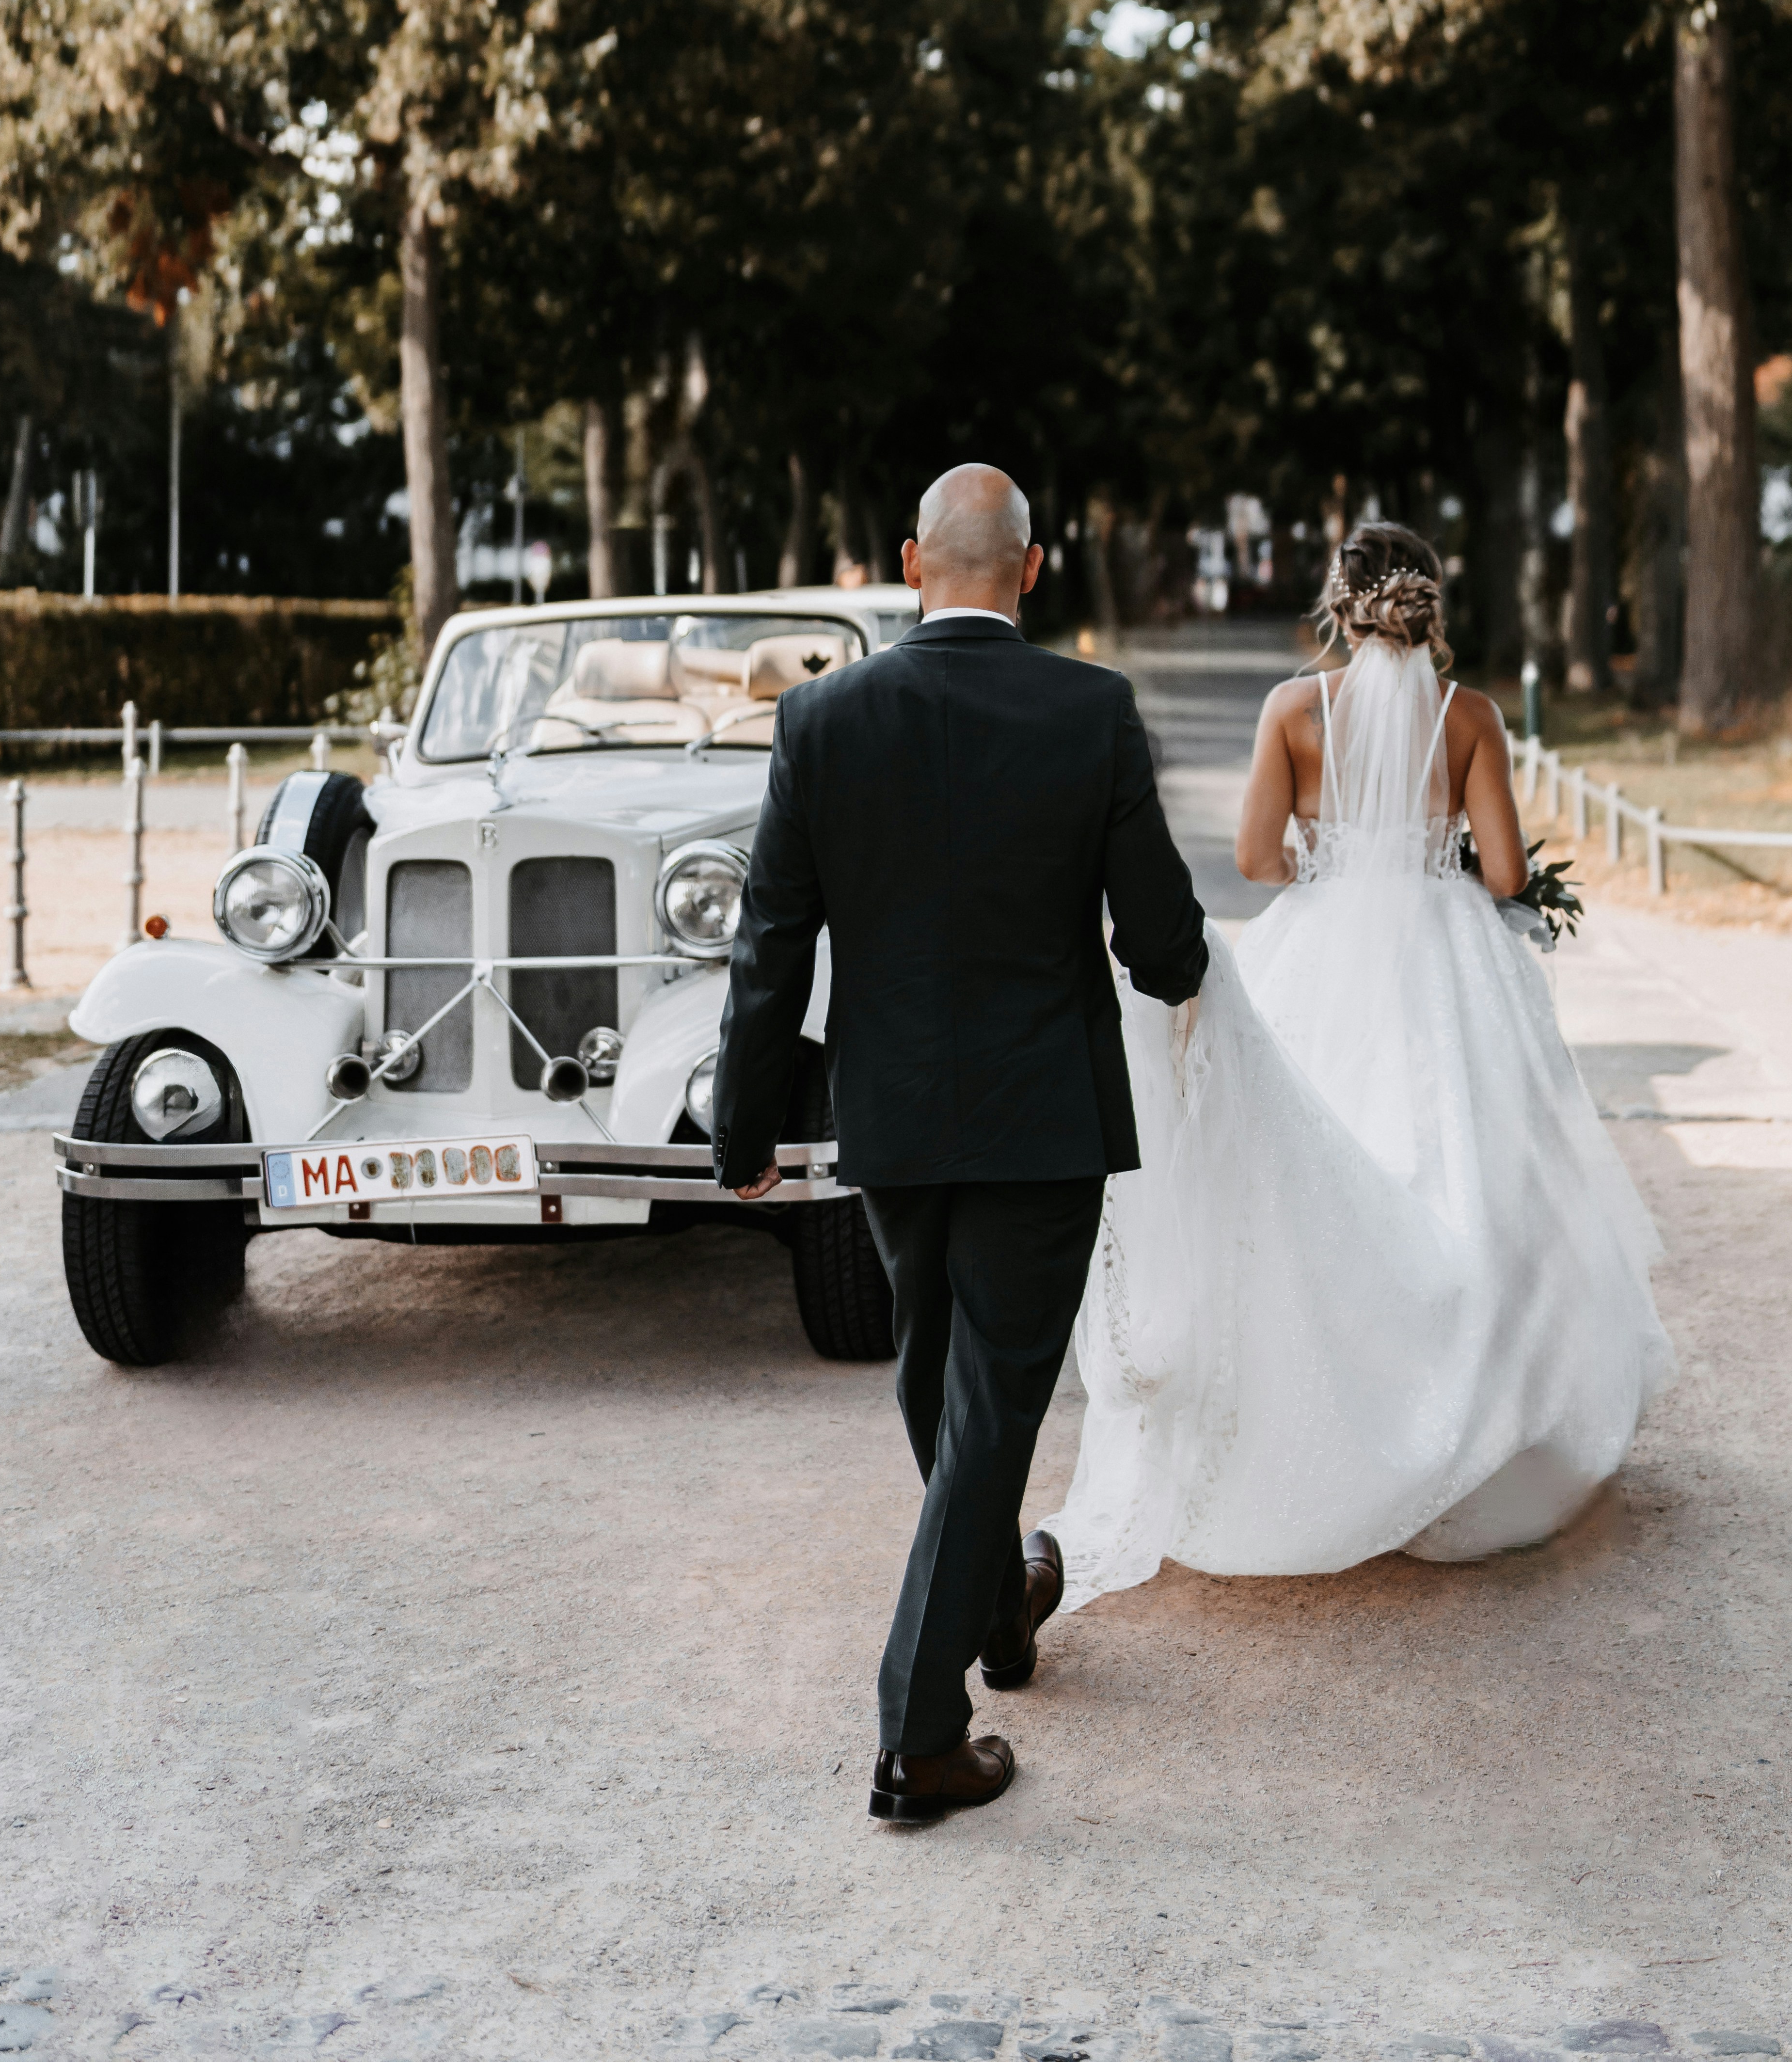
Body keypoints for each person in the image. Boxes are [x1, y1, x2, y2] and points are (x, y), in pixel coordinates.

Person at [1048, 522, 1675, 1602]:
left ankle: (1319, 1430)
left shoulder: (1294, 713)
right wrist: (1430, 858)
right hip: (1447, 962)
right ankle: (1473, 1435)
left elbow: (1252, 860)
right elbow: (1506, 873)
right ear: (1427, 606)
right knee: (1480, 1178)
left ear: (1336, 607)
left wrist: (1330, 859)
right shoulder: (1467, 716)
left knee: (1298, 1183)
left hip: (1319, 942)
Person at [709, 462, 1206, 1824]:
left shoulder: (819, 719)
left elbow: (770, 952)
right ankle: (922, 1735)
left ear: (912, 562)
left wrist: (744, 1125)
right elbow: (1159, 942)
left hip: (896, 1120)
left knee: (942, 1390)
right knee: (972, 1402)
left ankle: (1003, 1606)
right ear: (1033, 571)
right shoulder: (1090, 709)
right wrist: (1184, 970)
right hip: (1044, 1120)